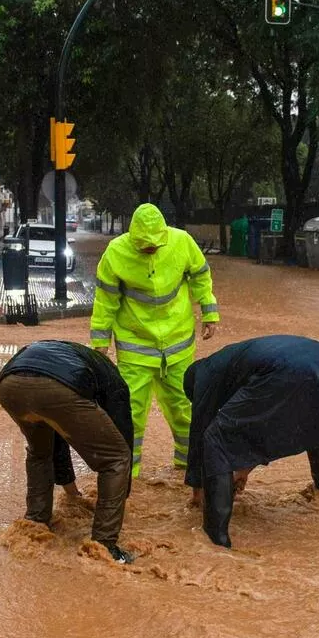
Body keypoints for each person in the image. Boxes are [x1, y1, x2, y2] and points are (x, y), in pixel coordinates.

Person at [89, 202, 220, 478]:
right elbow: (105, 301)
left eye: (155, 245)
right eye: (144, 245)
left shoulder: (182, 242)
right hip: (136, 349)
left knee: (185, 409)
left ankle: (188, 468)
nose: (150, 249)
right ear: (133, 237)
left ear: (164, 235)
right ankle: (127, 474)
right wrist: (100, 340)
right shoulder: (115, 253)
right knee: (130, 413)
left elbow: (200, 276)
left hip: (178, 344)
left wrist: (209, 312)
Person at [182, 335, 319, 548]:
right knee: (314, 425)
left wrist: (198, 491)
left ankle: (215, 539)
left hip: (284, 368)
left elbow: (200, 433)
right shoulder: (229, 362)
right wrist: (244, 469)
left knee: (215, 438)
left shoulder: (203, 376)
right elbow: (263, 423)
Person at [0, 340, 136, 564]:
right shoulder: (114, 381)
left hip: (10, 385)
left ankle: (35, 523)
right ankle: (104, 546)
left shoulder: (77, 358)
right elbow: (123, 433)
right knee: (116, 458)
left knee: (39, 452)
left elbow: (58, 435)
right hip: (55, 387)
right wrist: (124, 492)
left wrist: (71, 492)